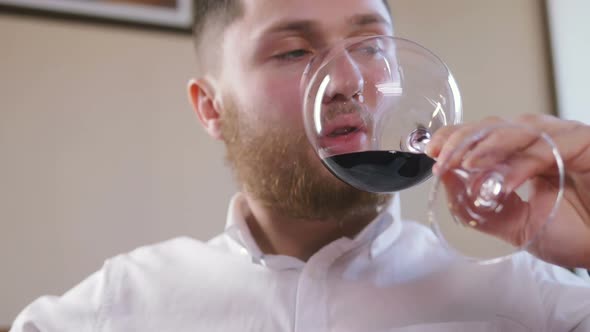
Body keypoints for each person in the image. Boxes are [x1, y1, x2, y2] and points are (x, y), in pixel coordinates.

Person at [11, 0, 590, 331]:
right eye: (293, 51)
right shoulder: (121, 305)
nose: (348, 81)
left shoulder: (526, 293)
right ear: (211, 107)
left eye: (370, 46)